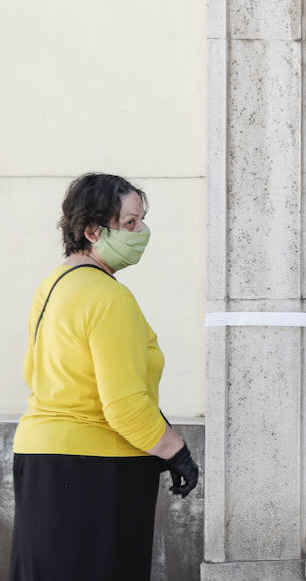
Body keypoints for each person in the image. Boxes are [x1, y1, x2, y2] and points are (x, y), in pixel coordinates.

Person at [11, 173, 200, 581]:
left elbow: (36, 372)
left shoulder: (52, 286)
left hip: (39, 455)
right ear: (92, 231)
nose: (142, 232)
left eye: (142, 220)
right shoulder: (110, 298)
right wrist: (176, 450)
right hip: (95, 467)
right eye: (130, 223)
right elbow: (124, 405)